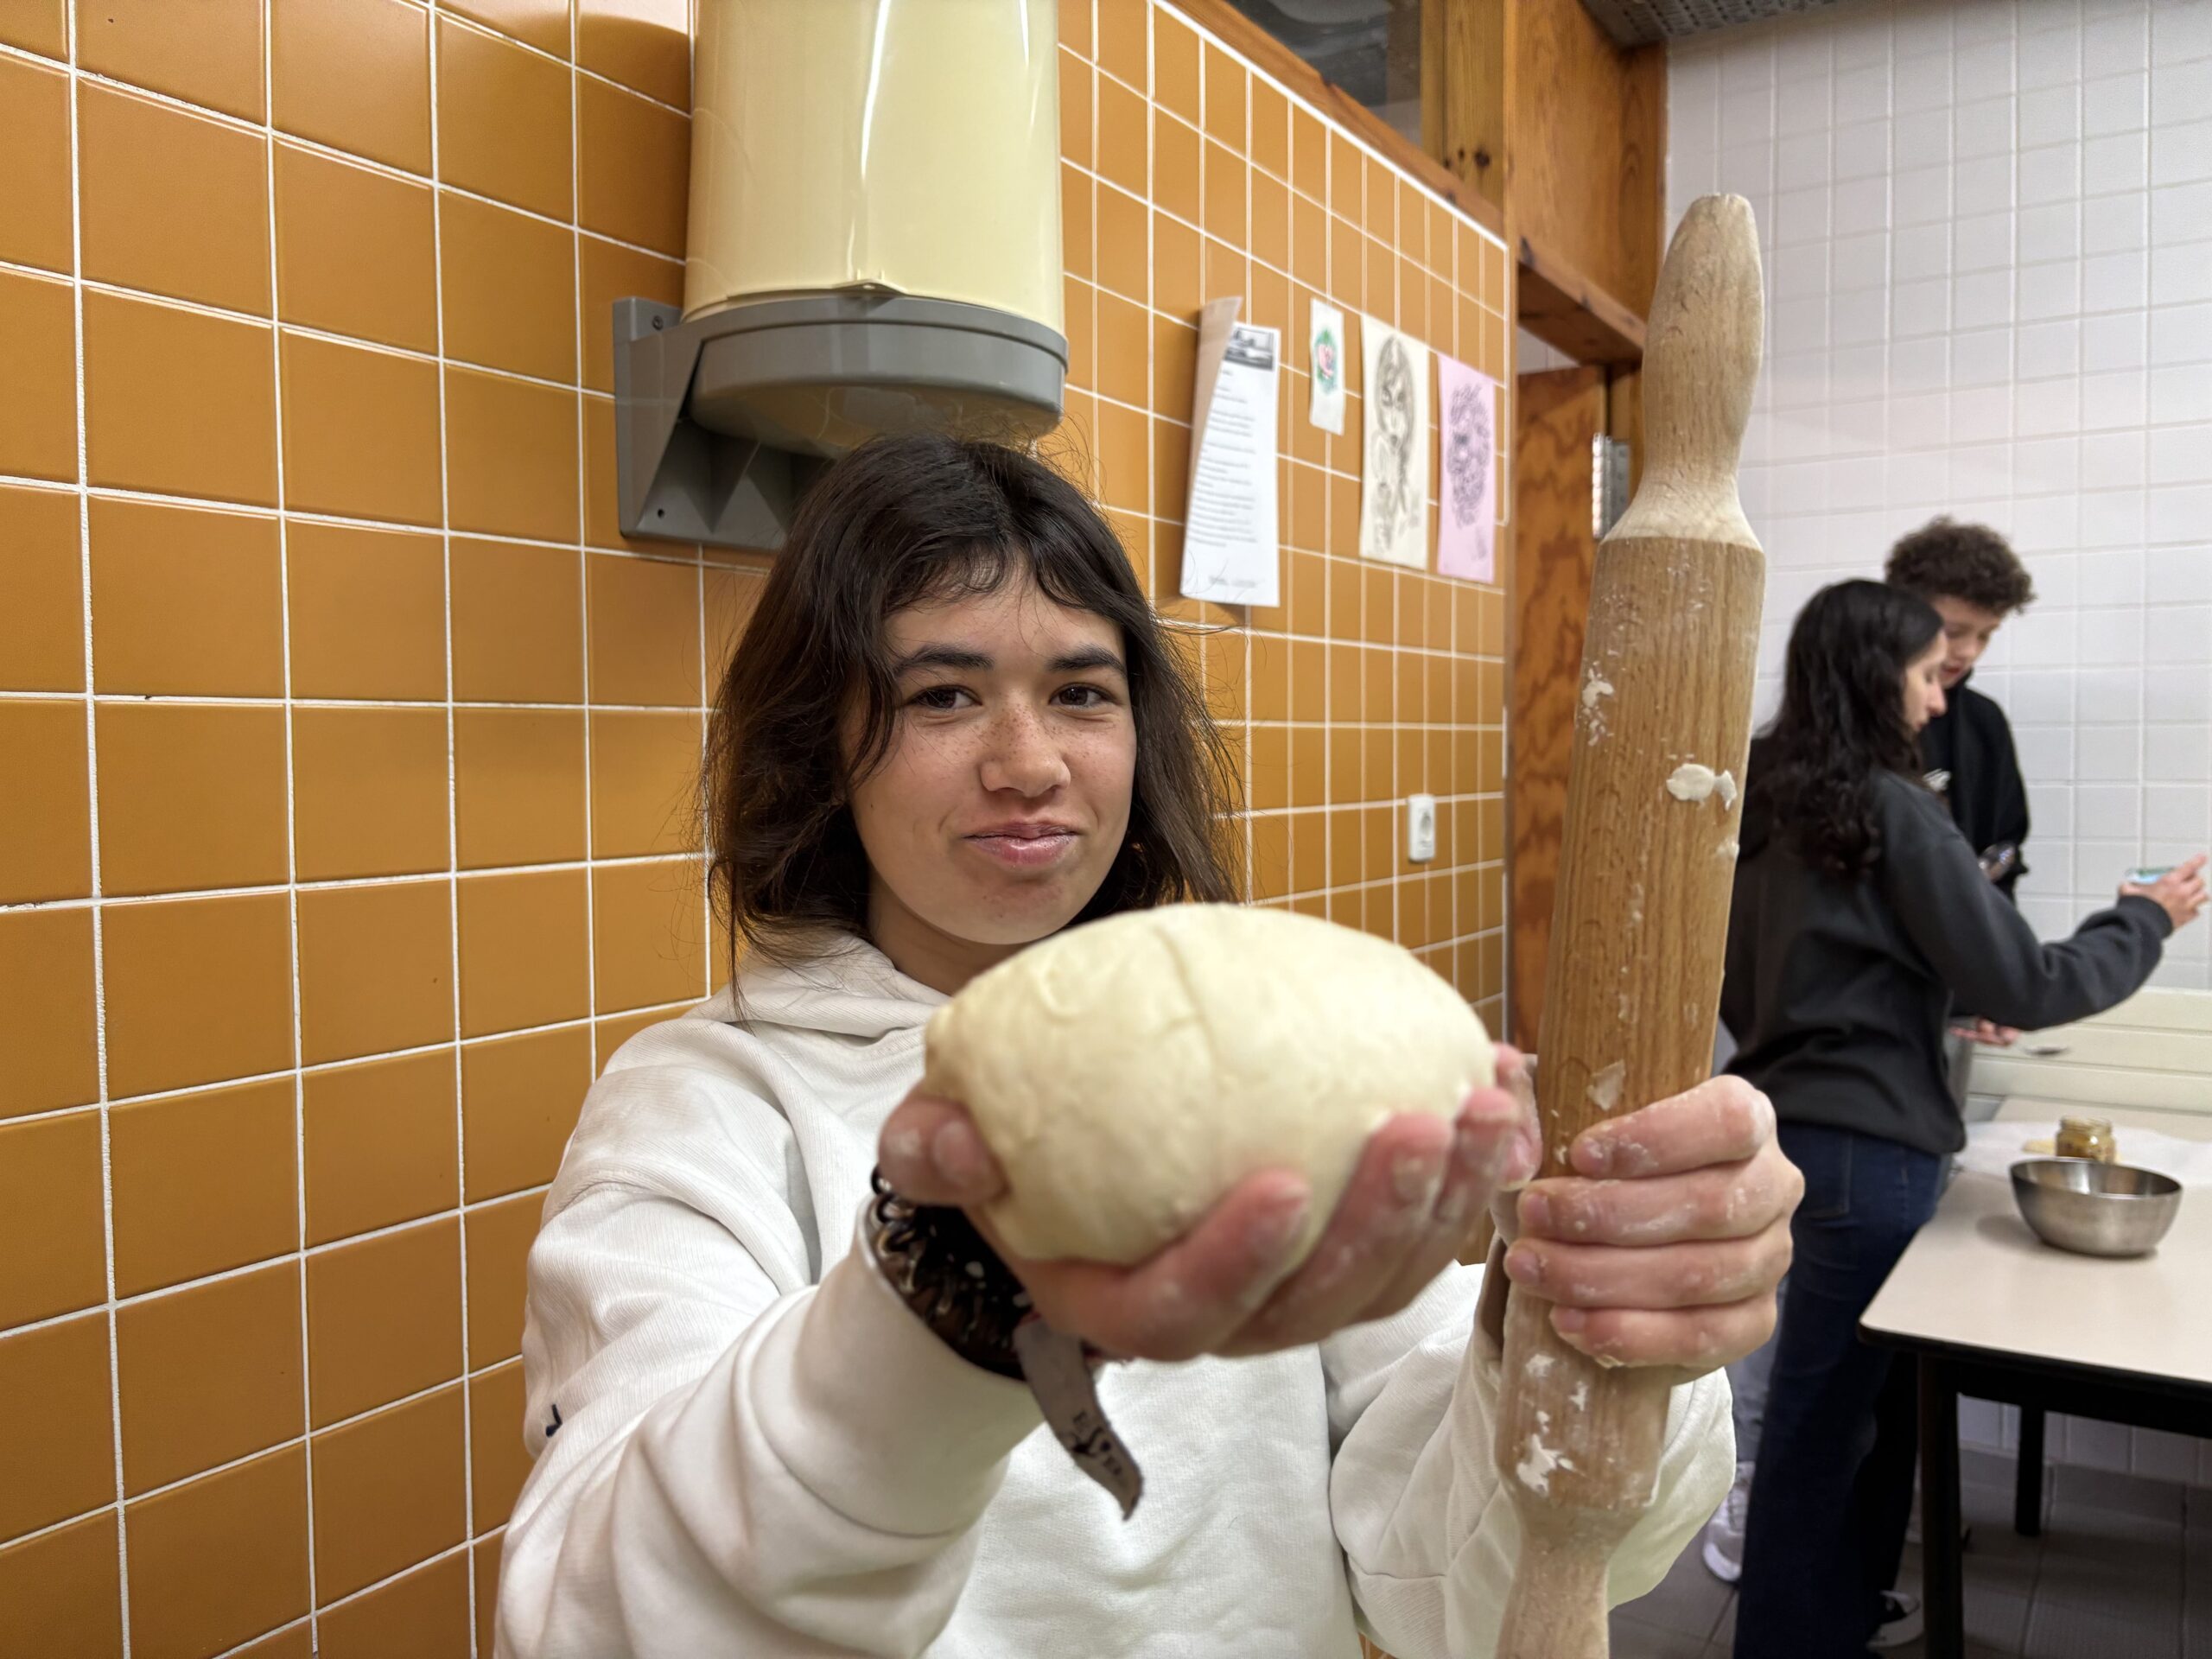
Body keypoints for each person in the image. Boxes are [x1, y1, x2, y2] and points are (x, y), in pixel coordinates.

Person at [493, 434, 1801, 1658]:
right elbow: (590, 1622)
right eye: (943, 694)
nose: (1029, 763)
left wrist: (1591, 1320)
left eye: (1080, 691)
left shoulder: (1263, 1057)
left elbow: (1449, 1584)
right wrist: (947, 1305)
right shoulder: (707, 1109)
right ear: (818, 749)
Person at [1721, 580, 2205, 1659]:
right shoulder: (1894, 805)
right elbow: (2032, 983)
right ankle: (1791, 1641)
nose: (1941, 703)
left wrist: (1930, 999)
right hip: (1871, 1156)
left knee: (1840, 1414)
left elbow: (1794, 975)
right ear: (1874, 676)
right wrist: (2143, 920)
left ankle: (1833, 1619)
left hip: (1789, 1133)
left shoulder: (1763, 800)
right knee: (1826, 1427)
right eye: (1931, 675)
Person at [1703, 518, 2043, 1584]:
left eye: (1981, 640)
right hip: (1823, 1073)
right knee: (1800, 1320)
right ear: (1886, 622)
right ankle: (1766, 1502)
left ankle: (1846, 1529)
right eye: (1944, 637)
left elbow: (1987, 893)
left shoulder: (1973, 735)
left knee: (1864, 1338)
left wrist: (1969, 985)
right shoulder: (1788, 775)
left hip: (1908, 1051)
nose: (1958, 666)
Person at [1885, 517, 2037, 900]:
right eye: (1954, 632)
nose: (1969, 651)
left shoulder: (1984, 721)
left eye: (1986, 635)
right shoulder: (1843, 718)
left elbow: (2005, 845)